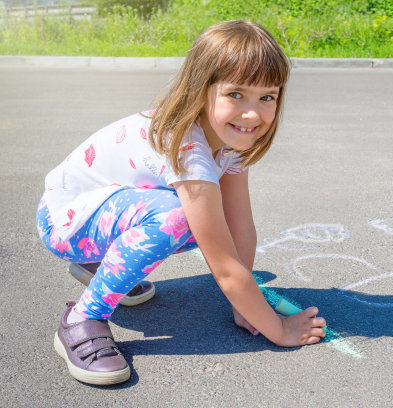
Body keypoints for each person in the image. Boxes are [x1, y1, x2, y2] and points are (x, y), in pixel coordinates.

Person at [36, 20, 327, 386]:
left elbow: (240, 228)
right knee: (182, 218)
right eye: (235, 94)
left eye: (266, 97)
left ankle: (101, 265)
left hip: (99, 212)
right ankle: (81, 319)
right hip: (63, 222)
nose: (252, 113)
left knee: (206, 219)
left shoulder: (231, 141)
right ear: (200, 88)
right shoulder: (187, 147)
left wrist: (244, 303)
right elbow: (223, 266)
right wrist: (278, 329)